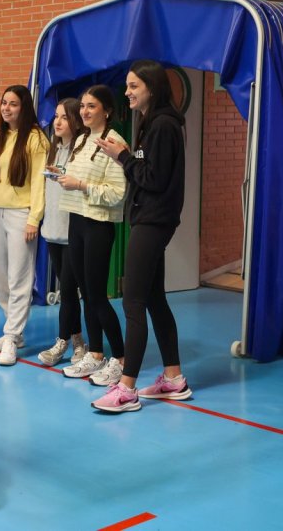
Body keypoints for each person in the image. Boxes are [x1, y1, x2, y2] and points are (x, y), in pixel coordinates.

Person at [91, 59, 191, 413]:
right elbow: (149, 171)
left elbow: (153, 178)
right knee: (153, 299)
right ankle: (174, 378)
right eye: (128, 86)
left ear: (151, 87)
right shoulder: (152, 123)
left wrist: (123, 158)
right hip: (148, 218)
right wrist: (130, 159)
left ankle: (127, 387)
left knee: (132, 302)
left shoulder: (163, 125)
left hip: (153, 221)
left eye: (134, 86)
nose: (128, 92)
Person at [55, 85, 128, 386]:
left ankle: (121, 359)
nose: (84, 111)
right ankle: (95, 354)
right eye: (82, 106)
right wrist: (61, 175)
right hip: (77, 220)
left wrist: (82, 186)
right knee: (86, 294)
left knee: (98, 296)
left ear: (106, 110)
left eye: (91, 106)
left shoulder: (114, 142)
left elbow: (118, 193)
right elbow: (80, 177)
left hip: (98, 225)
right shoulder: (82, 139)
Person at [0, 85, 49, 366]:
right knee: (0, 279)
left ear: (24, 107)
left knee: (20, 278)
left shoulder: (36, 140)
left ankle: (11, 337)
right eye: (3, 103)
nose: (6, 108)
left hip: (21, 215)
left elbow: (38, 184)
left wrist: (34, 218)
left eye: (13, 104)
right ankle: (14, 331)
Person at [37, 98, 87, 366]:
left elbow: (78, 181)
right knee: (67, 290)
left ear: (76, 121)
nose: (57, 122)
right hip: (53, 230)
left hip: (73, 232)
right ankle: (78, 341)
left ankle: (62, 342)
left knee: (68, 290)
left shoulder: (81, 150)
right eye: (56, 116)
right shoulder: (53, 149)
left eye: (64, 117)